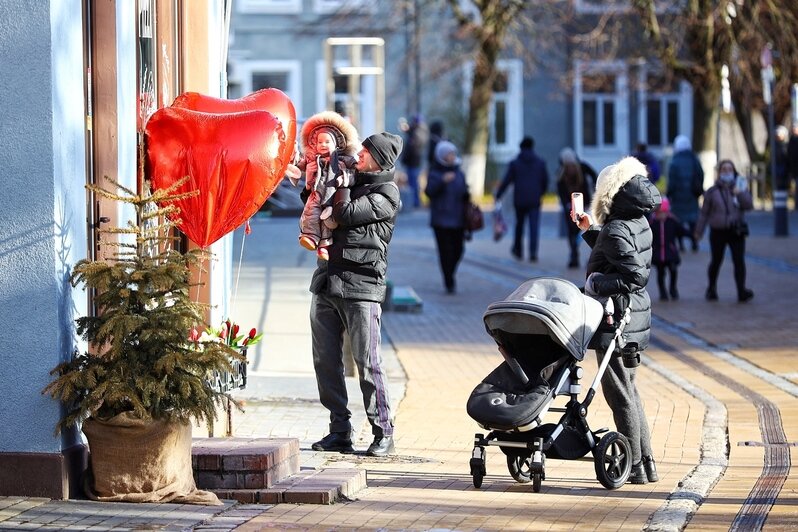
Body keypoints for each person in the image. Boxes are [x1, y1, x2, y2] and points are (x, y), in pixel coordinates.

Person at [307, 131, 404, 457]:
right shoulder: (347, 181)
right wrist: (320, 181)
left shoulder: (386, 194)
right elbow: (316, 202)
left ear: (380, 159)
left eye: (366, 151)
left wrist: (340, 181)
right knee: (326, 362)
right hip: (327, 281)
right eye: (360, 148)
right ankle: (340, 431)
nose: (358, 153)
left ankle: (383, 432)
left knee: (367, 363)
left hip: (362, 287)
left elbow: (343, 215)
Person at [574, 156, 661, 485]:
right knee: (631, 390)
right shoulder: (636, 219)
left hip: (617, 319)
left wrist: (596, 284)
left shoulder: (616, 227)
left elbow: (633, 274)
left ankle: (634, 465)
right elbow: (619, 250)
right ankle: (647, 462)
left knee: (619, 394)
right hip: (635, 316)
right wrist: (589, 231)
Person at [296, 111, 360, 260]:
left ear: (336, 144)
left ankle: (324, 245)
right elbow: (300, 164)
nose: (323, 145)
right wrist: (298, 169)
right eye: (319, 142)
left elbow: (354, 171)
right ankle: (309, 236)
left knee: (327, 222)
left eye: (327, 142)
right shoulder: (314, 160)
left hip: (332, 195)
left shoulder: (343, 160)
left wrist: (343, 178)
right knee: (310, 213)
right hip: (316, 194)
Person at [694, 159, 754, 303]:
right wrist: (698, 232)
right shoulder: (712, 191)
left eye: (730, 169)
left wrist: (739, 193)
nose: (727, 172)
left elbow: (749, 205)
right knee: (716, 261)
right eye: (724, 170)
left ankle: (741, 290)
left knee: (739, 261)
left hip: (736, 230)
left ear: (734, 172)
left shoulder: (740, 187)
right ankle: (711, 288)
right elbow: (704, 213)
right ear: (719, 173)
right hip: (718, 231)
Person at [495, 136, 549, 262]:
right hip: (535, 199)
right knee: (534, 227)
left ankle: (518, 250)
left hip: (519, 200)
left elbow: (507, 180)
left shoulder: (515, 163)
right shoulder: (540, 163)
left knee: (519, 225)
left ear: (521, 148)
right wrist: (541, 193)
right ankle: (533, 253)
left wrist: (499, 194)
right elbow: (545, 181)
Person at [425, 140, 469, 294]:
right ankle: (449, 280)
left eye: (453, 153)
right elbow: (429, 192)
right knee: (445, 252)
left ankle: (451, 272)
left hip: (458, 220)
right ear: (442, 156)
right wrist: (442, 182)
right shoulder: (435, 173)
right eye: (449, 154)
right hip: (441, 220)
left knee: (459, 250)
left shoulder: (459, 172)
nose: (452, 156)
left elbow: (465, 193)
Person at [556, 148, 593, 268]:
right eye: (568, 166)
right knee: (572, 231)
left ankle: (591, 258)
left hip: (585, 204)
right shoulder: (562, 175)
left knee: (588, 231)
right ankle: (574, 255)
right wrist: (566, 204)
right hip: (571, 207)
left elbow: (595, 176)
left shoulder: (583, 168)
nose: (570, 168)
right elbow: (561, 192)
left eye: (572, 165)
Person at [667, 135, 704, 252]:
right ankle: (694, 242)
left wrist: (669, 194)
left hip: (678, 197)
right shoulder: (694, 159)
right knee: (693, 220)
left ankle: (680, 244)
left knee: (678, 221)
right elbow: (701, 174)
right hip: (692, 196)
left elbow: (671, 180)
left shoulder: (674, 161)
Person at [648, 197, 689, 301]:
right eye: (659, 213)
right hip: (658, 253)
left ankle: (673, 288)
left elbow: (681, 230)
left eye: (664, 212)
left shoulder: (672, 221)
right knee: (661, 273)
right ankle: (663, 292)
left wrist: (693, 235)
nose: (662, 215)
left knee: (673, 270)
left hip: (670, 252)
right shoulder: (652, 223)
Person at [400, 114, 429, 209]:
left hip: (413, 162)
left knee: (413, 183)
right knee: (413, 182)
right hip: (414, 162)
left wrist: (405, 159)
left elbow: (412, 148)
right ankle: (415, 202)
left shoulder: (417, 133)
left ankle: (415, 202)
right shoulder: (419, 131)